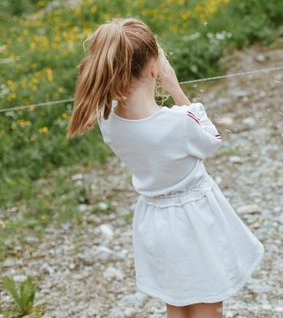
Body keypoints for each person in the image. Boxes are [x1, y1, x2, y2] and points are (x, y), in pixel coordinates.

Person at [67, 18, 263, 318]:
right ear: (154, 69)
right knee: (208, 300)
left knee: (177, 300)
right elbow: (212, 140)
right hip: (195, 219)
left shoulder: (109, 122)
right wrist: (174, 87)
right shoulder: (179, 122)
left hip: (154, 221)